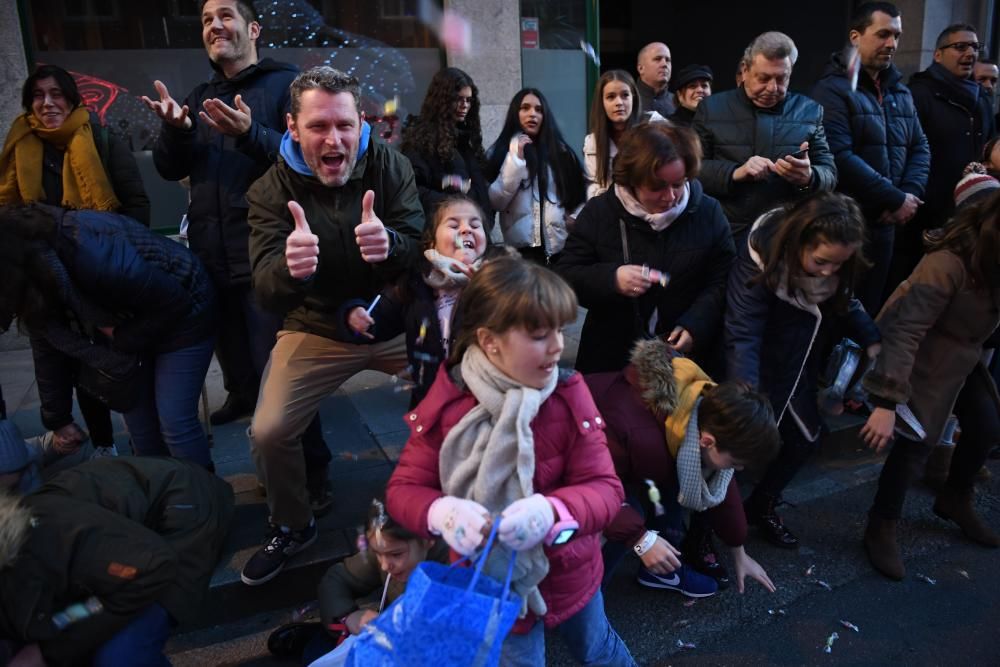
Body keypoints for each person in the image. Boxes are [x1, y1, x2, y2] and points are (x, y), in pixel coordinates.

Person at [387, 258, 634, 666]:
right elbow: (403, 490)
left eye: (559, 329)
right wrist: (442, 512)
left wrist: (553, 511)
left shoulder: (568, 394)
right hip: (490, 587)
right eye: (539, 335)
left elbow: (606, 488)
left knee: (599, 650)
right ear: (489, 340)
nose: (557, 345)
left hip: (571, 574)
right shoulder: (449, 400)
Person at [241, 66, 423, 586]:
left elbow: (414, 245)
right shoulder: (268, 190)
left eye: (344, 125)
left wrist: (392, 246)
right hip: (316, 326)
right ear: (292, 128)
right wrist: (289, 269)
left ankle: (443, 499)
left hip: (390, 318)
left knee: (466, 385)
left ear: (361, 122)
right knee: (269, 431)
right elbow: (264, 289)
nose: (334, 138)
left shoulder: (389, 165)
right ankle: (294, 523)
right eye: (319, 126)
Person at [144, 0, 303, 431]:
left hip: (264, 257)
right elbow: (169, 168)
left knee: (281, 376)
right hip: (211, 253)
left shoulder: (286, 86)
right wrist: (176, 133)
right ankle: (241, 394)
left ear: (253, 30)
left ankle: (311, 470)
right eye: (206, 20)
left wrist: (251, 133)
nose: (214, 25)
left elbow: (305, 161)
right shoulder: (200, 97)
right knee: (232, 350)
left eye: (225, 16)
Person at [1, 64, 151, 458]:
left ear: (72, 98)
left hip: (94, 272)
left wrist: (112, 256)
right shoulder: (18, 146)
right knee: (52, 353)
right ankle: (80, 435)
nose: (48, 102)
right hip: (39, 277)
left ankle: (126, 439)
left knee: (102, 359)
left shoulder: (100, 140)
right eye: (38, 95)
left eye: (56, 94)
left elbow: (136, 205)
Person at [0, 205, 217, 469]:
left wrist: (121, 337)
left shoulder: (91, 254)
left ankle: (204, 499)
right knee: (140, 425)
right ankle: (165, 492)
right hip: (124, 321)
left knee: (174, 420)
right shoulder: (33, 275)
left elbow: (173, 303)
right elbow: (47, 344)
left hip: (184, 309)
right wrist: (58, 419)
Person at [726, 192, 881, 548]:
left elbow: (846, 299)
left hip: (797, 362)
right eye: (822, 262)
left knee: (805, 439)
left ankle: (760, 505)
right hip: (752, 366)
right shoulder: (758, 258)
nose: (829, 273)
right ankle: (706, 534)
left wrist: (871, 336)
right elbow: (743, 330)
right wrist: (744, 395)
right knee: (733, 452)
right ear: (799, 242)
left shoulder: (835, 266)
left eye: (838, 265)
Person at [859, 189, 1000, 580]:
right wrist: (887, 402)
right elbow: (906, 331)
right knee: (912, 442)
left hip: (961, 352)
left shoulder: (991, 259)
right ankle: (881, 525)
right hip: (920, 353)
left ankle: (955, 496)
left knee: (987, 426)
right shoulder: (948, 262)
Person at [0, 453, 233, 667]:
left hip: (178, 513)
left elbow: (149, 570)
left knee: (119, 657)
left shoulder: (49, 537)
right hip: (124, 546)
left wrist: (48, 650)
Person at [588, 338, 780, 597]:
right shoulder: (635, 427)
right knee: (622, 520)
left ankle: (660, 572)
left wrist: (738, 551)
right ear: (707, 441)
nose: (740, 470)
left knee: (673, 491)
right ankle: (587, 600)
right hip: (568, 455)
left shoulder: (706, 415)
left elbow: (721, 484)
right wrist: (641, 540)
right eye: (736, 462)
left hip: (622, 458)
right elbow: (599, 489)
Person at [557, 121, 734, 374]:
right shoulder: (600, 213)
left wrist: (696, 324)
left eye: (678, 183)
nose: (671, 197)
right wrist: (612, 278)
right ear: (632, 180)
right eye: (657, 187)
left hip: (689, 362)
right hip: (612, 357)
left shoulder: (708, 212)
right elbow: (567, 275)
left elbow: (722, 279)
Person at [811, 2, 930, 315]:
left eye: (896, 36)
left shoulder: (900, 92)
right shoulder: (831, 90)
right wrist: (894, 198)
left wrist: (909, 196)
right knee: (836, 316)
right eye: (883, 34)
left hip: (887, 225)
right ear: (855, 36)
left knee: (870, 314)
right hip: (845, 227)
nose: (891, 44)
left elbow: (920, 146)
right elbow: (840, 155)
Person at [340, 195, 491, 408]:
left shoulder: (498, 281)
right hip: (430, 399)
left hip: (483, 402)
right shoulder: (415, 283)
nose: (466, 229)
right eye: (453, 224)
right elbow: (381, 317)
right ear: (432, 243)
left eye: (475, 225)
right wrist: (356, 316)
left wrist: (488, 293)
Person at [694, 31, 837, 247]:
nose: (772, 88)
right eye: (763, 78)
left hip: (786, 235)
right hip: (725, 233)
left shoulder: (810, 111)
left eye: (781, 79)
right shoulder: (711, 109)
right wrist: (734, 172)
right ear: (744, 70)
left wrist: (809, 176)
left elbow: (830, 174)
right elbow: (690, 170)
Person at [266, 498, 448, 664]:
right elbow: (337, 580)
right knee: (319, 652)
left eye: (396, 554)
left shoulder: (461, 572)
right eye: (378, 553)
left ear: (427, 541)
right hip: (386, 638)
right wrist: (349, 616)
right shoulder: (389, 548)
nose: (385, 565)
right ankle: (325, 632)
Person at [893, 23, 995, 296]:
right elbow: (908, 151)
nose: (970, 53)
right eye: (960, 47)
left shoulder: (981, 99)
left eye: (975, 47)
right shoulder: (919, 94)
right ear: (938, 55)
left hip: (968, 216)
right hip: (924, 213)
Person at [486, 88, 586, 265]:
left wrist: (575, 219)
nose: (532, 114)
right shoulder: (501, 152)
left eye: (538, 110)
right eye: (525, 108)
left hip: (560, 250)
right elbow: (496, 202)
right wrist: (515, 161)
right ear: (515, 113)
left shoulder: (561, 153)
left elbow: (581, 193)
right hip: (520, 252)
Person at [400, 68, 492, 229]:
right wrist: (452, 203)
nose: (464, 106)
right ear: (442, 100)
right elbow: (413, 190)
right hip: (445, 233)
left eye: (468, 100)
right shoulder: (421, 140)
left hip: (474, 232)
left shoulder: (467, 140)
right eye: (458, 99)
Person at [583, 70, 642, 200]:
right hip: (608, 210)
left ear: (634, 98)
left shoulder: (652, 128)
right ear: (601, 102)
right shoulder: (592, 142)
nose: (619, 102)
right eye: (611, 97)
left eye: (625, 95)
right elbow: (594, 186)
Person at [635, 42, 675, 117]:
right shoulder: (628, 100)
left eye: (667, 60)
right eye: (657, 59)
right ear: (641, 68)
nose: (664, 64)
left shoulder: (679, 103)